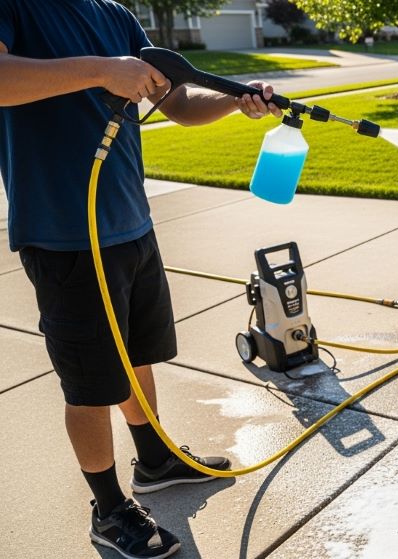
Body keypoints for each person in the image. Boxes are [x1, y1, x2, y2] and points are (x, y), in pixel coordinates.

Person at [0, 1, 284, 557]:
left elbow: (175, 101)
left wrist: (233, 100)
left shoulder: (114, 13)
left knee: (135, 354)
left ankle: (155, 458)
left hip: (130, 220)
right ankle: (108, 510)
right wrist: (105, 70)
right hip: (65, 231)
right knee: (89, 383)